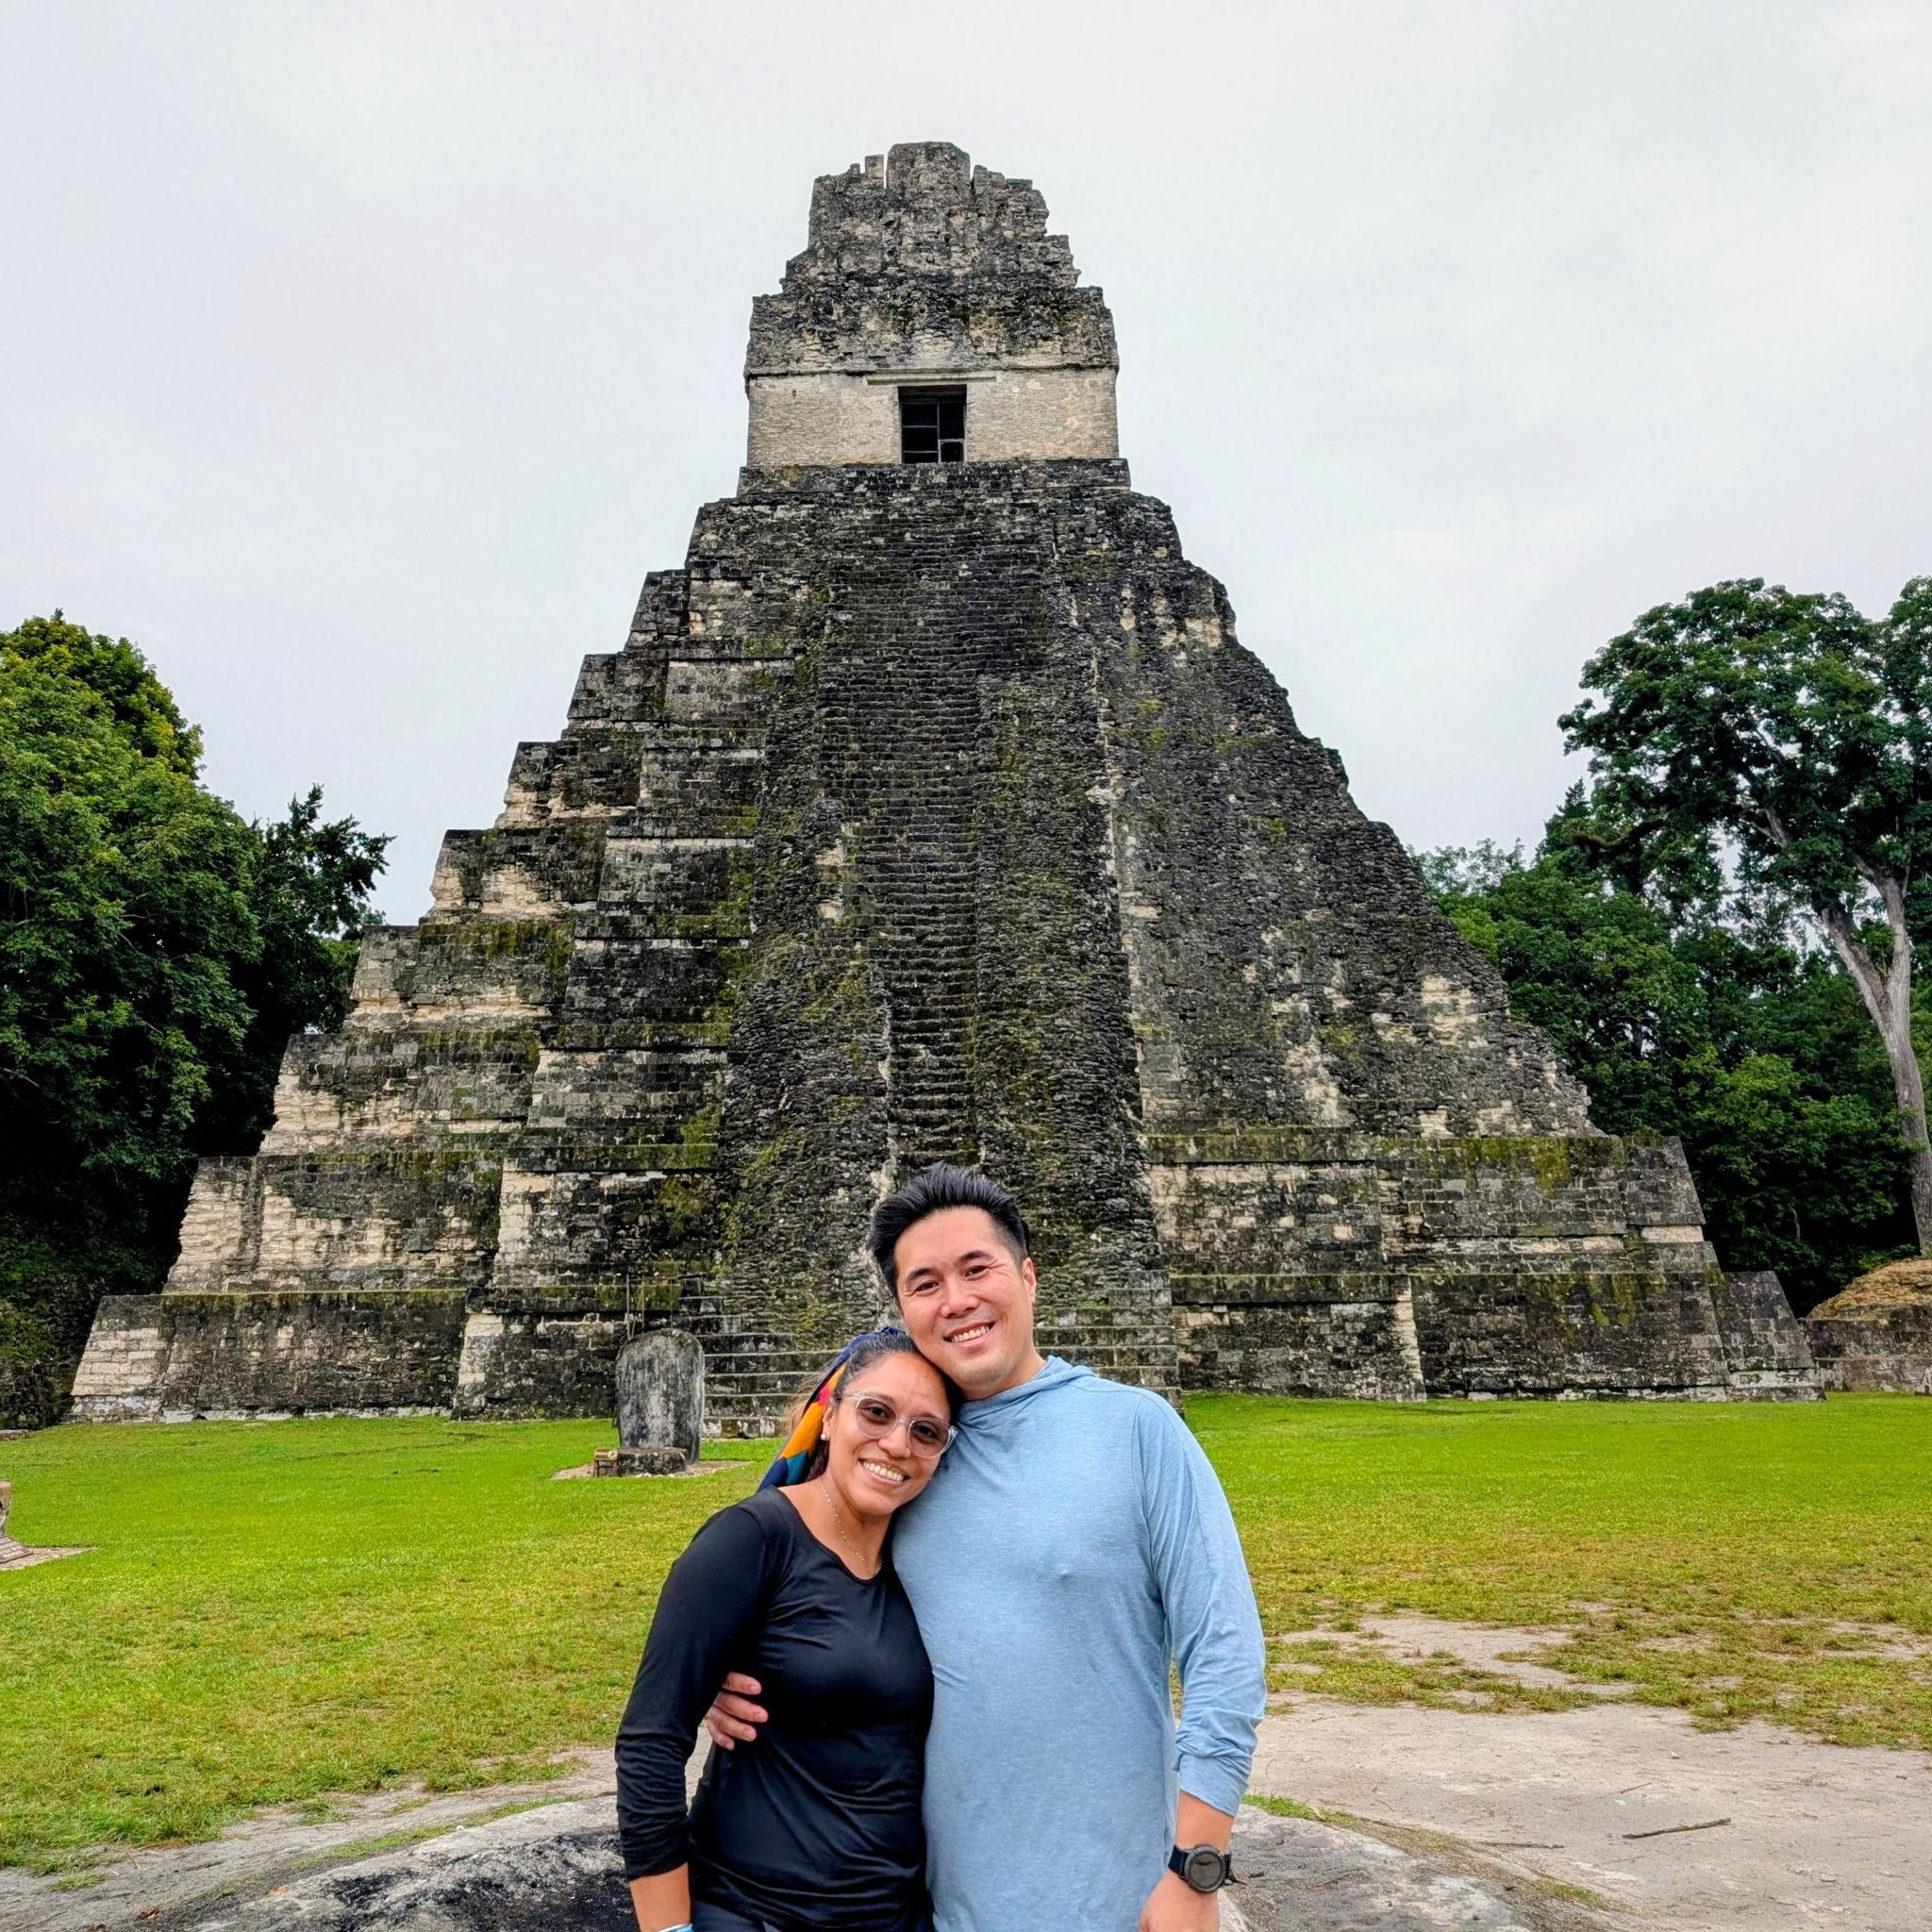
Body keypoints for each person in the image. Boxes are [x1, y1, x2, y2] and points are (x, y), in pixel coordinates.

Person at [708, 1164, 1269, 1932]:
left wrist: (1195, 1872)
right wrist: (730, 1668)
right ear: (904, 1310)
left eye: (977, 1269)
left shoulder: (1138, 1430)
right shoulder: (904, 1456)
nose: (957, 1301)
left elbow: (1226, 1656)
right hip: (934, 1904)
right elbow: (789, 1568)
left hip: (1116, 1898)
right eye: (926, 1283)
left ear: (1028, 1277)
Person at [617, 1328, 959, 1932]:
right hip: (753, 1910)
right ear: (828, 1417)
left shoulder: (923, 1566)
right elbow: (652, 1741)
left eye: (926, 1431)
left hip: (892, 1913)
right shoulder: (752, 1539)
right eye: (876, 1412)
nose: (897, 1443)